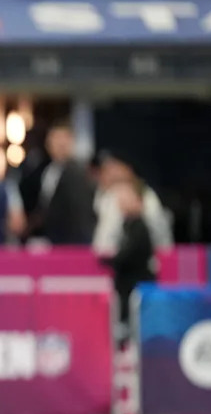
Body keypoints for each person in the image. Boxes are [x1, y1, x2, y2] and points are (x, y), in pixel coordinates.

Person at [99, 179, 156, 346]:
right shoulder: (126, 225)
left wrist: (111, 260)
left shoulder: (140, 227)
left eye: (127, 198)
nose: (122, 202)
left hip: (137, 285)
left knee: (135, 321)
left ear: (139, 202)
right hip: (124, 286)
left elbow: (130, 255)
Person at [27, 121, 96, 244]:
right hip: (51, 241)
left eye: (64, 139)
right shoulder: (47, 171)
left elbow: (82, 215)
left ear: (72, 142)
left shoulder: (79, 173)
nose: (60, 144)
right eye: (56, 139)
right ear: (48, 143)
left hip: (71, 245)